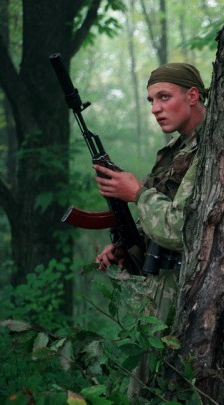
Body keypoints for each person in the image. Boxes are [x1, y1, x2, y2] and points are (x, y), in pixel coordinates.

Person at [92, 62, 207, 398]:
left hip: (184, 295)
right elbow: (160, 221)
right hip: (157, 291)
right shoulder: (176, 150)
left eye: (164, 97)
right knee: (141, 390)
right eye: (150, 100)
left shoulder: (209, 150)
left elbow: (180, 229)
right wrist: (129, 245)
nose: (155, 108)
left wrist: (137, 193)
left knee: (158, 391)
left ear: (192, 95)